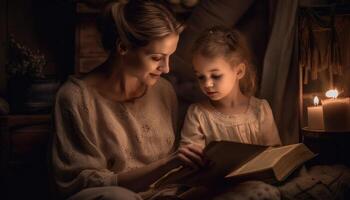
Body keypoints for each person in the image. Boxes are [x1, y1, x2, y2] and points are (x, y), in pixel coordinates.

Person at [50, 1, 207, 199]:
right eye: (157, 58)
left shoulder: (164, 91)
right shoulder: (76, 98)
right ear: (123, 47)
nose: (166, 68)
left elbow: (173, 174)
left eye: (170, 57)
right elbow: (83, 184)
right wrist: (167, 164)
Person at [181, 26, 282, 151]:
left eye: (216, 76)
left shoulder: (260, 110)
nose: (207, 84)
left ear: (239, 71)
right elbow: (189, 158)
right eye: (200, 77)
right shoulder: (198, 115)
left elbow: (275, 154)